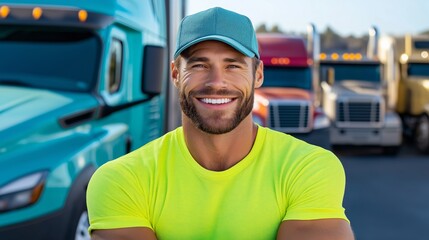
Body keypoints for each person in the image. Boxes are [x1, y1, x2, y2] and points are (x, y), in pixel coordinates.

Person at [86, 7, 354, 240]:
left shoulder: (307, 167)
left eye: (233, 66)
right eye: (200, 65)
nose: (216, 82)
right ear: (176, 74)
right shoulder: (121, 180)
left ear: (257, 74)